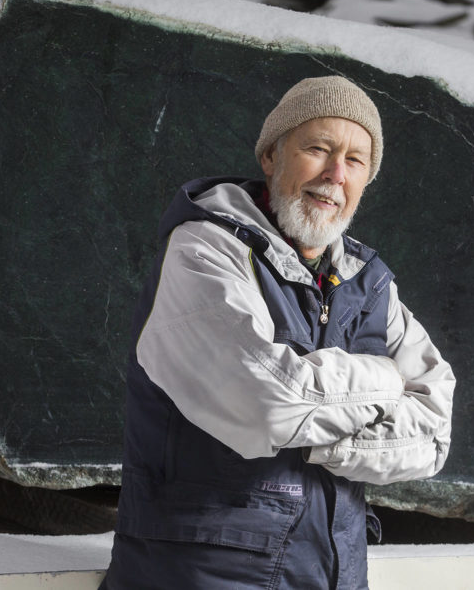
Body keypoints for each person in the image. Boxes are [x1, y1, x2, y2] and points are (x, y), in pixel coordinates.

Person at [101, 76, 455, 589]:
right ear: (271, 155)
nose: (336, 175)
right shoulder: (204, 251)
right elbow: (267, 402)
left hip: (334, 575)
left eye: (356, 161)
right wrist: (385, 381)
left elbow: (435, 433)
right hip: (200, 576)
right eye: (318, 149)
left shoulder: (370, 285)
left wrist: (317, 442)